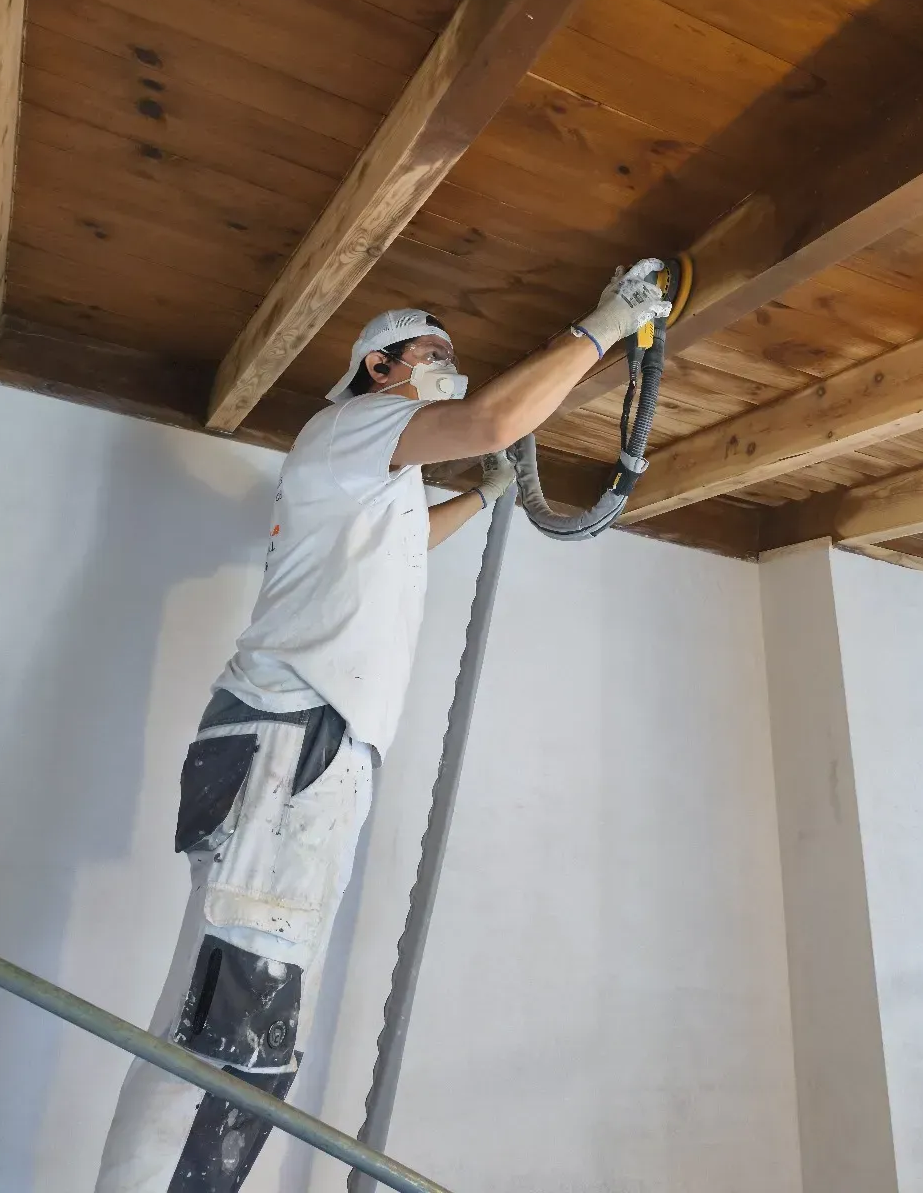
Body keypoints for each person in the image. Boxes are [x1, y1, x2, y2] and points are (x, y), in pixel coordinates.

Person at [93, 260, 671, 1192]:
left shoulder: (372, 475)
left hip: (302, 747)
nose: (450, 366)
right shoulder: (350, 426)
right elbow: (491, 420)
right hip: (291, 741)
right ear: (379, 366)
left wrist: (481, 496)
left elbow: (406, 540)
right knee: (236, 1029)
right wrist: (609, 321)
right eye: (434, 353)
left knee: (233, 1018)